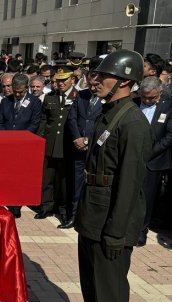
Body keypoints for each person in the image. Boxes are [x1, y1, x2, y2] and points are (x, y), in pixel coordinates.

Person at [55, 49, 154, 302]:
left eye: (103, 76)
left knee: (110, 285)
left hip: (113, 219)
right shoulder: (109, 113)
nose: (94, 80)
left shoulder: (133, 123)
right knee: (91, 280)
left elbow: (129, 184)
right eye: (96, 75)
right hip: (94, 212)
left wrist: (116, 230)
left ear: (125, 82)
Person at [0, 73, 42, 218]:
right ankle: (8, 201)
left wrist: (21, 138)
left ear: (26, 88)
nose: (17, 94)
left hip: (24, 144)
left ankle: (17, 203)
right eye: (15, 91)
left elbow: (35, 123)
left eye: (20, 92)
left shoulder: (35, 102)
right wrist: (8, 137)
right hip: (7, 144)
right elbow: (0, 122)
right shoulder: (6, 101)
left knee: (20, 175)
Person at [35, 65, 78, 224]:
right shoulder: (49, 97)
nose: (60, 83)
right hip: (50, 143)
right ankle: (46, 207)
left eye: (63, 80)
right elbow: (44, 121)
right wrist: (40, 140)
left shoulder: (77, 97)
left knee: (63, 181)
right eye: (57, 80)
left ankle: (63, 210)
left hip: (66, 145)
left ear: (72, 80)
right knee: (47, 178)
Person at [134, 76, 172, 246]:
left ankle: (141, 231)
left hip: (153, 160)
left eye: (152, 98)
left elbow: (169, 135)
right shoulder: (133, 102)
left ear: (160, 93)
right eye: (144, 97)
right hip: (131, 157)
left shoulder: (168, 105)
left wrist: (150, 152)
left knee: (146, 199)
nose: (148, 101)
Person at [65, 71, 103, 229]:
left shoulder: (108, 98)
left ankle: (89, 219)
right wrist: (77, 138)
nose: (93, 88)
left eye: (96, 85)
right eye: (90, 84)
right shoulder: (81, 95)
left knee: (93, 186)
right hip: (78, 147)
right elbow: (72, 118)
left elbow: (104, 123)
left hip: (96, 149)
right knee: (77, 184)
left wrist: (88, 140)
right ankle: (73, 216)